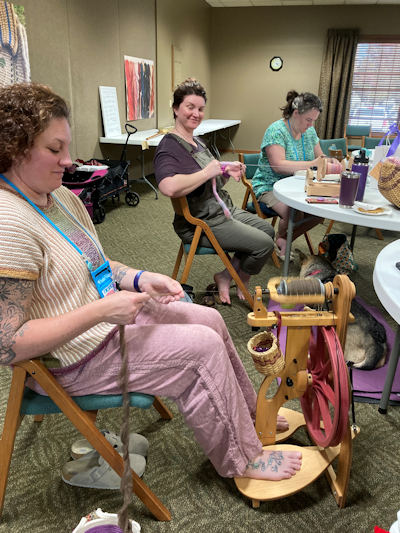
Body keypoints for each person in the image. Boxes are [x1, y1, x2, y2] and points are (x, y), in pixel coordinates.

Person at [0, 82, 301, 482]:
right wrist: (102, 310)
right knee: (202, 350)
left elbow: (96, 262)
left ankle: (248, 415)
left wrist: (141, 278)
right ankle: (242, 459)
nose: (69, 161)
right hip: (74, 358)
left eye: (66, 147)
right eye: (55, 150)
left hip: (107, 321)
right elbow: (7, 344)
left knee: (210, 320)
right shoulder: (9, 223)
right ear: (15, 149)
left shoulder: (60, 198)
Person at [153, 78, 275, 305]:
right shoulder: (169, 146)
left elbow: (211, 184)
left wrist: (226, 173)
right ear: (176, 108)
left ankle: (226, 276)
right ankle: (241, 278)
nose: (196, 114)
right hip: (201, 221)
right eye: (190, 107)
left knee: (267, 231)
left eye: (200, 109)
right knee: (263, 246)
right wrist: (206, 172)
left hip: (221, 208)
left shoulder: (197, 142)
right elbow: (167, 186)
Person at [252, 91, 328, 260]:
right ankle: (283, 240)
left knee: (320, 212)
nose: (311, 125)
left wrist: (328, 161)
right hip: (269, 186)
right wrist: (313, 163)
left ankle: (283, 239)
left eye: (313, 121)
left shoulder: (309, 132)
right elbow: (279, 165)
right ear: (296, 113)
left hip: (300, 185)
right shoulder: (276, 131)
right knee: (294, 212)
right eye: (308, 120)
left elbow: (320, 157)